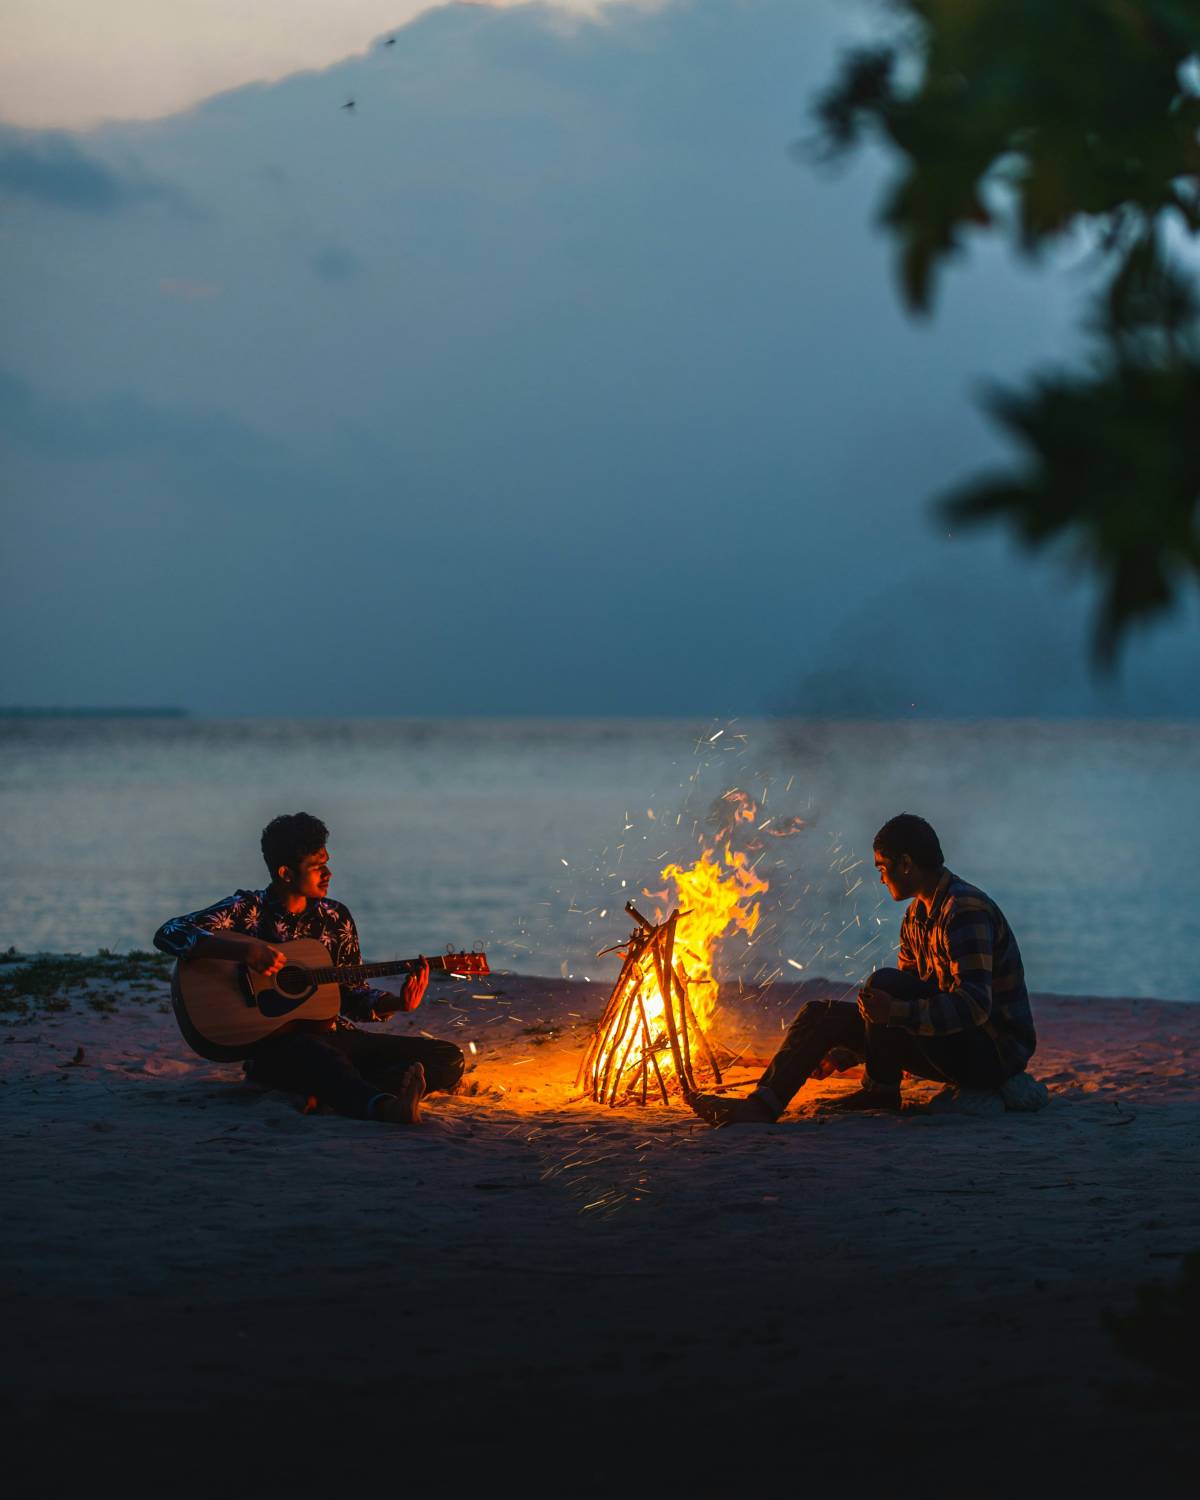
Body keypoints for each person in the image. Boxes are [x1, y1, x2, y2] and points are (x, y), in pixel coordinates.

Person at [689, 813, 1037, 1125]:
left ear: (905, 864)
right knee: (820, 1017)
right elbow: (909, 1001)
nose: (882, 879)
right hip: (945, 1042)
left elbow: (974, 1006)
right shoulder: (916, 916)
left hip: (992, 1053)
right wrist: (844, 1050)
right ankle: (761, 1105)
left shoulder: (964, 910)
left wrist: (894, 1011)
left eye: (882, 869)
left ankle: (881, 1090)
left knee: (884, 983)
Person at [153, 811, 465, 1125]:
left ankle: (331, 1095)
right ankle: (383, 1107)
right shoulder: (247, 910)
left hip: (335, 1038)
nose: (327, 873)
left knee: (447, 1058)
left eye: (326, 862)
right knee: (318, 1057)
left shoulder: (335, 917)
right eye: (316, 867)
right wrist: (245, 951)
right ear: (286, 873)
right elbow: (169, 932)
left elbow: (352, 996)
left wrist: (399, 1003)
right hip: (274, 1048)